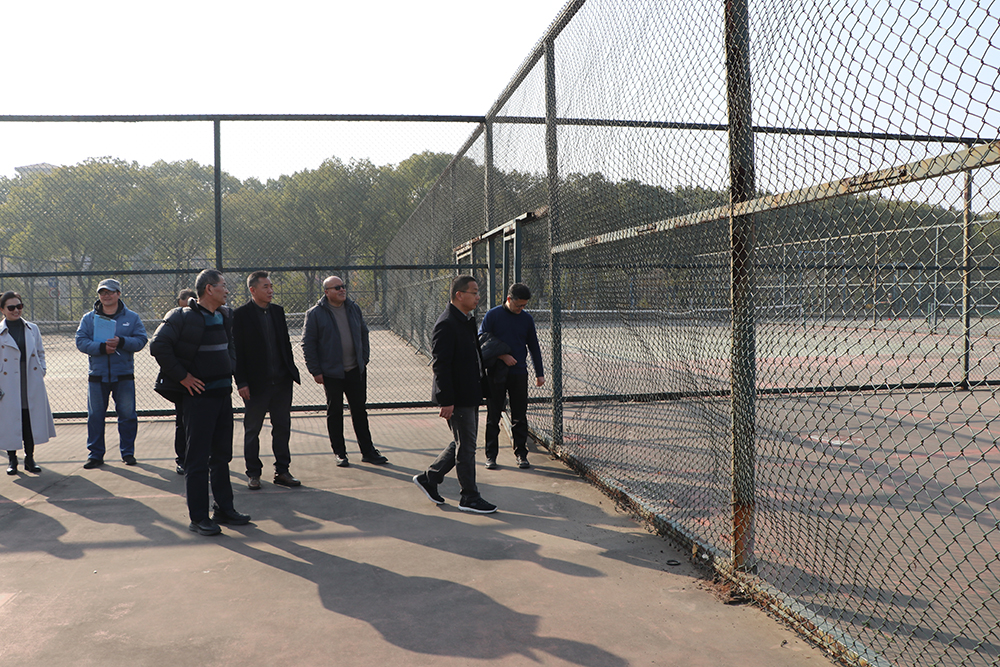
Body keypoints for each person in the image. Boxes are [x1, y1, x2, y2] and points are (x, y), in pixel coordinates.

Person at [150, 269, 250, 536]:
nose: (227, 290)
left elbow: (230, 346)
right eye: (223, 285)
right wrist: (183, 377)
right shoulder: (181, 316)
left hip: (222, 397)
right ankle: (198, 518)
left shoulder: (224, 316)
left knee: (222, 456)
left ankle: (224, 509)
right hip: (198, 400)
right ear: (209, 289)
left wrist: (231, 367)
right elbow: (158, 346)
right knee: (197, 460)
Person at [412, 275, 497, 514]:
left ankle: (430, 478)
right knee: (466, 447)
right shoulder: (447, 324)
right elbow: (441, 365)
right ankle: (469, 497)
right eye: (474, 292)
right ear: (459, 295)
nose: (478, 297)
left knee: (463, 443)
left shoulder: (465, 320)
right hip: (458, 397)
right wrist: (447, 400)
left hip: (470, 392)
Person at [302, 275, 388, 467]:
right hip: (331, 373)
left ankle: (368, 451)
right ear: (326, 292)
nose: (342, 290)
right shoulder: (315, 314)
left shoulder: (353, 308)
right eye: (337, 287)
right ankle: (340, 453)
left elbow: (364, 333)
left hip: (355, 370)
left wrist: (363, 359)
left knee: (359, 411)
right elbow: (308, 343)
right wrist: (315, 370)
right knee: (335, 412)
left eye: (343, 286)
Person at [233, 271, 302, 490]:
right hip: (255, 385)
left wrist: (289, 372)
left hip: (281, 382)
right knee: (252, 430)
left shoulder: (278, 312)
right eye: (266, 287)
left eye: (271, 286)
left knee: (282, 428)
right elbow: (237, 352)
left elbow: (285, 344)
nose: (271, 290)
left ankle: (282, 471)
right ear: (252, 290)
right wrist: (241, 382)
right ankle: (253, 474)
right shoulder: (240, 315)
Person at [75, 278, 148, 469]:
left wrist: (121, 342)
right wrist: (101, 348)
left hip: (123, 375)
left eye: (110, 292)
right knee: (95, 416)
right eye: (102, 292)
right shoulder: (88, 318)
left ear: (118, 294)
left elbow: (141, 340)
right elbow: (80, 341)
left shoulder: (132, 317)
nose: (106, 296)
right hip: (97, 376)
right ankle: (95, 454)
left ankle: (128, 453)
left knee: (128, 415)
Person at [479, 282, 545, 470]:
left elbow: (534, 346)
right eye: (518, 305)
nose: (521, 308)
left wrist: (539, 373)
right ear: (509, 299)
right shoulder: (493, 315)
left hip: (519, 373)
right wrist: (501, 355)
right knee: (493, 416)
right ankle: (491, 456)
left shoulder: (526, 319)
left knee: (520, 415)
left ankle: (521, 454)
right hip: (496, 373)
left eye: (524, 305)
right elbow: (482, 341)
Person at [0, 292, 56, 475]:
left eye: (19, 306)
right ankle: (12, 460)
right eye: (11, 307)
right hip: (7, 382)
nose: (16, 310)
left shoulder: (33, 328)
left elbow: (40, 352)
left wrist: (41, 370)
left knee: (29, 419)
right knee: (10, 421)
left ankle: (30, 458)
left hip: (29, 379)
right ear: (2, 310)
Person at [171, 288, 197, 475]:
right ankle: (182, 459)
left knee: (204, 423)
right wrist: (181, 375)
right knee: (182, 422)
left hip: (202, 380)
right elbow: (162, 348)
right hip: (181, 381)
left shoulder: (205, 318)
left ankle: (205, 457)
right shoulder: (175, 320)